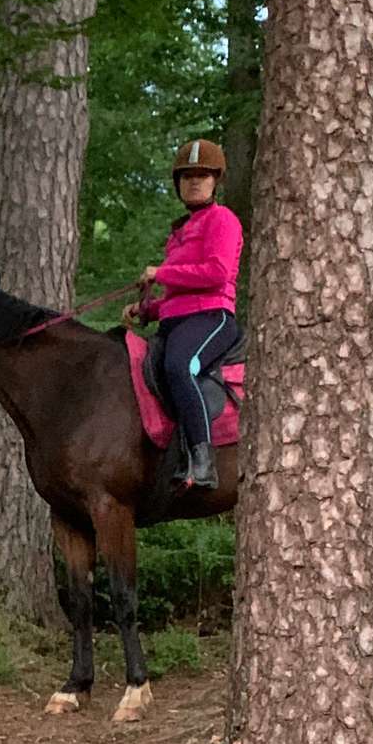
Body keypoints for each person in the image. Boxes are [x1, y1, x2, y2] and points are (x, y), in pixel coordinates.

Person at [140, 137, 243, 491]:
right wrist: (148, 309)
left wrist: (161, 273)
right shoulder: (179, 233)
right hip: (176, 322)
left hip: (211, 318)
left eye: (203, 175)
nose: (195, 182)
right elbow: (177, 294)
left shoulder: (223, 220)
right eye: (187, 176)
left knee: (180, 366)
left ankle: (203, 461)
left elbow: (216, 272)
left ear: (216, 181)